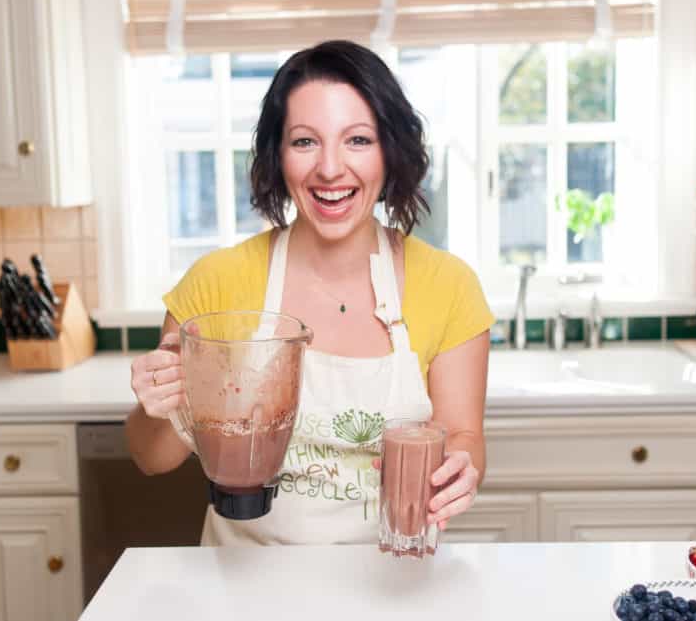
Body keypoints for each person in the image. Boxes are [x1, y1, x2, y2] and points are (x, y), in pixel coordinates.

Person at [127, 40, 493, 546]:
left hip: (394, 585)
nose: (329, 169)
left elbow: (463, 434)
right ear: (278, 155)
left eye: (358, 140)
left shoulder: (449, 287)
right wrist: (155, 404)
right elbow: (152, 457)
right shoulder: (218, 282)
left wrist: (462, 468)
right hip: (245, 590)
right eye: (304, 142)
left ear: (391, 151)